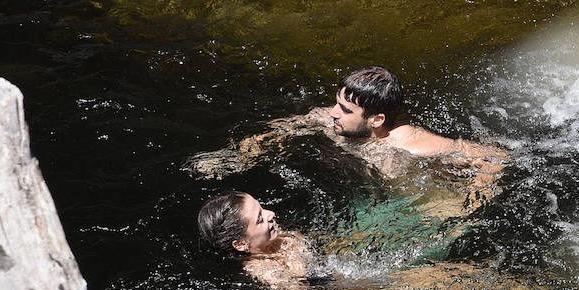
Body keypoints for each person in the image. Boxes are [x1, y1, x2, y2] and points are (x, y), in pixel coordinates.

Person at [197, 191, 546, 290]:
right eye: (261, 218)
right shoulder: (265, 272)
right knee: (440, 287)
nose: (272, 214)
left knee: (447, 272)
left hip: (342, 280)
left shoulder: (278, 243)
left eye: (264, 208)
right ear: (241, 245)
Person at [190, 67, 505, 210]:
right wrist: (237, 157)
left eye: (344, 109)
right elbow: (282, 129)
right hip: (377, 199)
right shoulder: (332, 121)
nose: (332, 113)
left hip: (431, 209)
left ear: (376, 120)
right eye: (335, 102)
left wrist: (469, 204)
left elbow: (495, 156)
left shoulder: (410, 143)